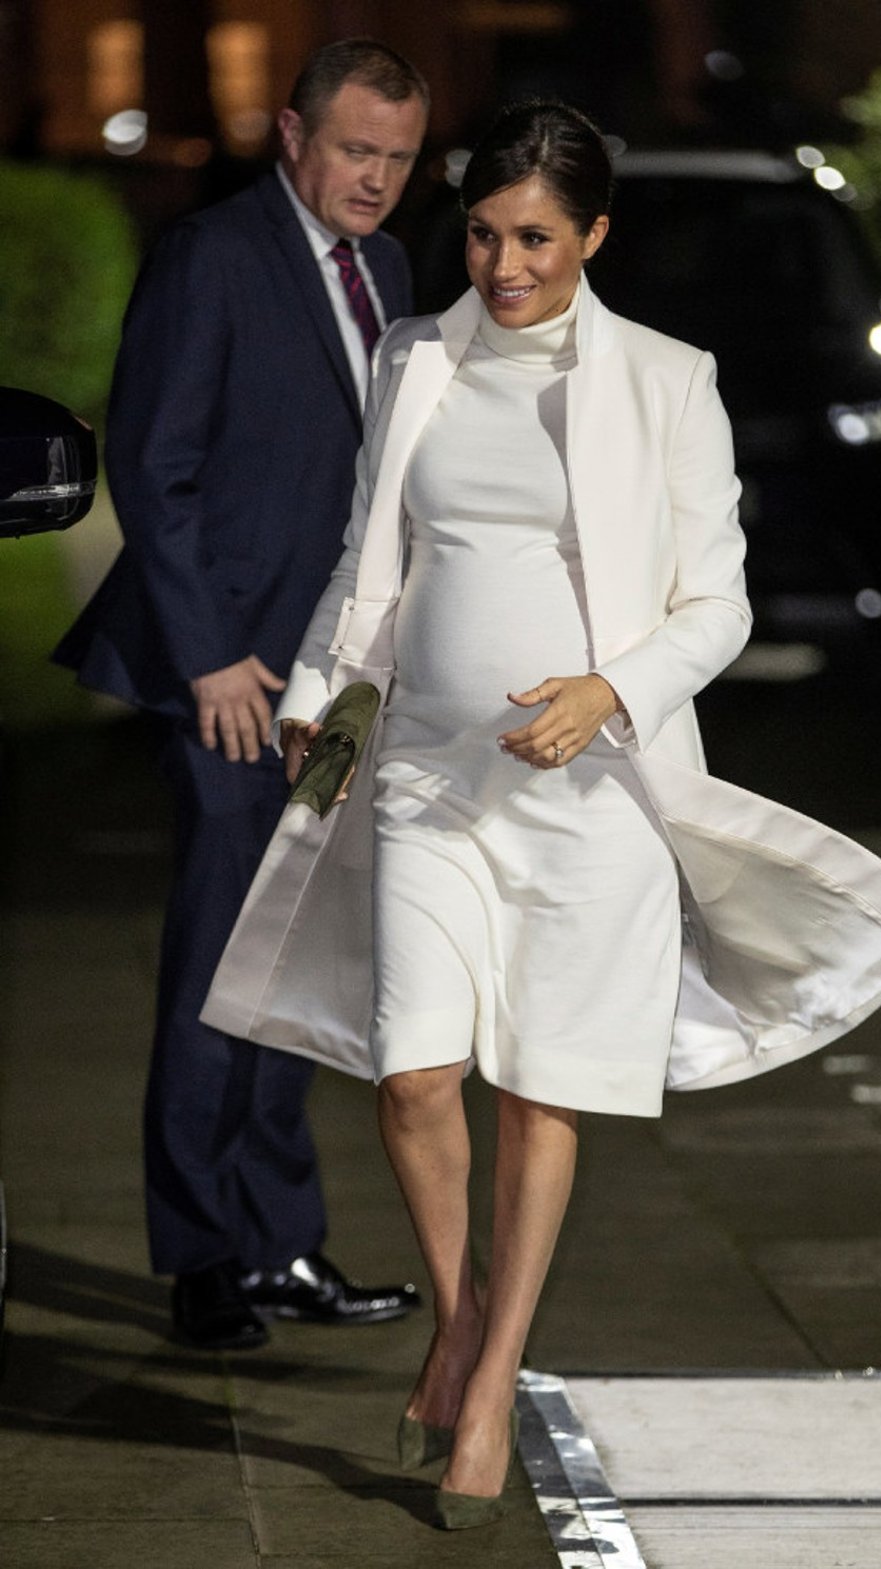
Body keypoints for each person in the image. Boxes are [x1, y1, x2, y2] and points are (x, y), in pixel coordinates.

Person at [202, 102, 881, 1524]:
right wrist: (320, 685)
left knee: (543, 1080)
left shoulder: (669, 379)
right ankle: (460, 1312)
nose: (503, 266)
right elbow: (370, 562)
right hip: (424, 768)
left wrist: (610, 690)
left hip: (589, 793)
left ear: (593, 236)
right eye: (485, 234)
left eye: (535, 239)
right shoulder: (412, 355)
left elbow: (716, 603)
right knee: (415, 1070)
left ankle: (488, 1380)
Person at [53, 39, 431, 1352]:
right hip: (232, 681)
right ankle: (203, 1257)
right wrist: (212, 657)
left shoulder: (385, 268)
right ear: (293, 135)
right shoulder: (212, 258)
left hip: (334, 697)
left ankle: (281, 1245)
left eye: (397, 156)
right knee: (220, 967)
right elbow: (152, 469)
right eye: (355, 151)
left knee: (299, 962)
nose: (376, 179)